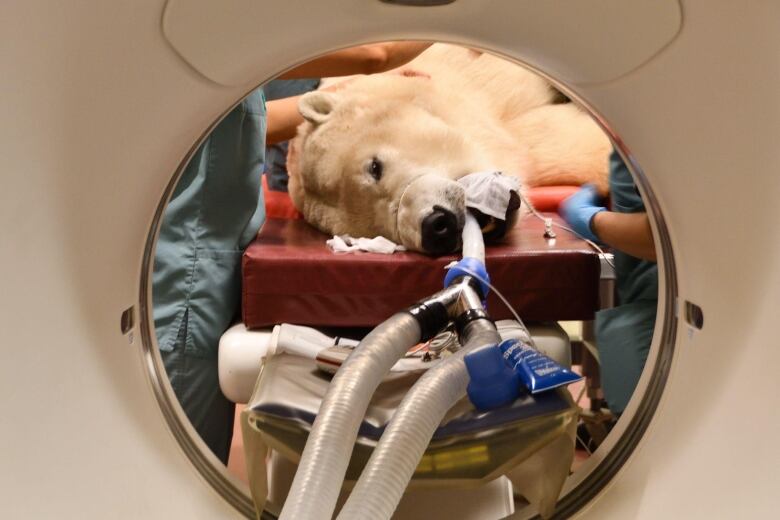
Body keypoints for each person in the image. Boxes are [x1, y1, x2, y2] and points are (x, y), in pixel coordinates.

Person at [152, 42, 431, 463]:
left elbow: (244, 130)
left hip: (202, 266)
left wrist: (348, 98)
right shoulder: (227, 26)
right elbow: (379, 51)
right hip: (183, 281)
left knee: (186, 451)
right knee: (174, 459)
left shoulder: (212, 54)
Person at [560, 150, 658, 416]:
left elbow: (670, 235)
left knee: (648, 417)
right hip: (648, 295)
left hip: (670, 309)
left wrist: (593, 220)